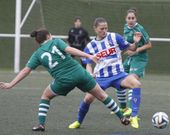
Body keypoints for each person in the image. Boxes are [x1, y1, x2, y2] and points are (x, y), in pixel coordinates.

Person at [0, 28, 131, 132]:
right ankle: (122, 117)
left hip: (63, 80)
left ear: (38, 41)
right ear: (49, 36)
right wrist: (88, 55)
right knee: (102, 95)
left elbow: (25, 71)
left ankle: (41, 124)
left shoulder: (37, 54)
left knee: (46, 96)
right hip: (80, 73)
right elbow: (70, 49)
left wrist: (10, 84)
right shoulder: (56, 41)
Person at [68, 17, 142, 129]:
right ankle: (78, 121)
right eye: (101, 29)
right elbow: (88, 64)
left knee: (136, 84)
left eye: (106, 28)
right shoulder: (90, 46)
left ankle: (134, 117)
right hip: (101, 78)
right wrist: (90, 74)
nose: (104, 31)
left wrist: (136, 42)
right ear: (95, 29)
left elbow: (131, 48)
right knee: (88, 99)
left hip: (118, 75)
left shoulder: (115, 37)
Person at [122, 8, 152, 128]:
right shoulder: (125, 28)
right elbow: (128, 44)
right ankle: (123, 107)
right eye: (129, 18)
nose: (130, 20)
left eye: (132, 18)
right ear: (126, 19)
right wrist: (128, 50)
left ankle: (132, 111)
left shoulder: (140, 29)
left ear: (136, 19)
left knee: (132, 80)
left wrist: (136, 51)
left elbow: (149, 45)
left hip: (140, 59)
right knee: (120, 80)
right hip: (130, 58)